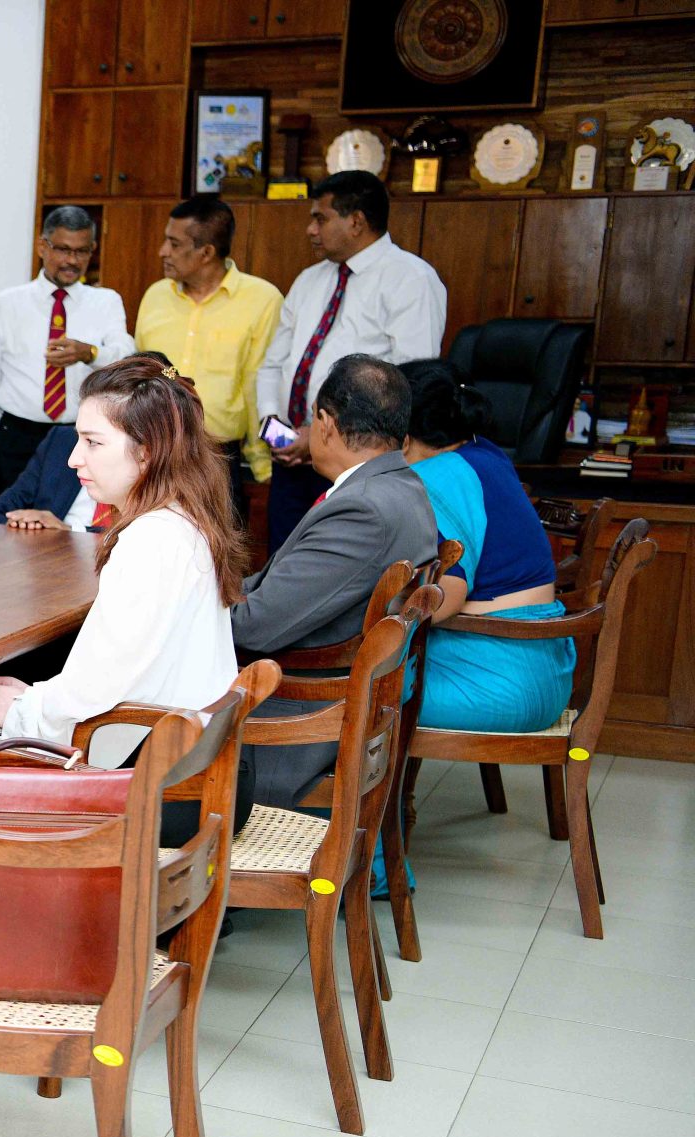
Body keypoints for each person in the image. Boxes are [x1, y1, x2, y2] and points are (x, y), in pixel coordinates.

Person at [0, 355, 254, 839]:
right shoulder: (185, 518)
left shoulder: (151, 539)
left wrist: (19, 710)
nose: (73, 459)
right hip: (206, 772)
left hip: (166, 794)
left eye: (93, 442)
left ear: (147, 451)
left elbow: (98, 688)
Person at [232, 354, 438, 810]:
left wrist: (179, 606)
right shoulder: (403, 486)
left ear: (325, 424)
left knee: (135, 734)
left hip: (299, 718)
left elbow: (253, 627)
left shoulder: (362, 509)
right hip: (338, 696)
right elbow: (272, 587)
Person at [255, 171, 445, 553]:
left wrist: (322, 436)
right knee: (283, 561)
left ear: (356, 221)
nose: (310, 230)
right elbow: (273, 364)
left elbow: (410, 381)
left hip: (355, 462)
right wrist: (276, 431)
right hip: (292, 460)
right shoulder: (309, 280)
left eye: (320, 218)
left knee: (337, 566)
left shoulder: (411, 279)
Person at [398, 360, 573, 733]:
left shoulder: (434, 477)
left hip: (493, 681)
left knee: (350, 695)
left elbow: (447, 598)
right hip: (546, 671)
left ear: (403, 433)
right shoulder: (487, 452)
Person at [0, 205, 134, 500]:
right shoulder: (6, 304)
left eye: (82, 251)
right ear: (42, 246)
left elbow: (126, 357)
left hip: (78, 439)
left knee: (68, 524)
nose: (72, 260)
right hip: (13, 439)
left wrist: (89, 353)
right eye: (63, 249)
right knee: (5, 523)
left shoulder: (106, 302)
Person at [133, 194, 283, 520]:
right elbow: (139, 375)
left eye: (174, 244)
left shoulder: (262, 300)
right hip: (150, 454)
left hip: (217, 458)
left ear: (206, 253)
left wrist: (262, 465)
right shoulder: (155, 296)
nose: (162, 251)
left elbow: (258, 383)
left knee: (217, 548)